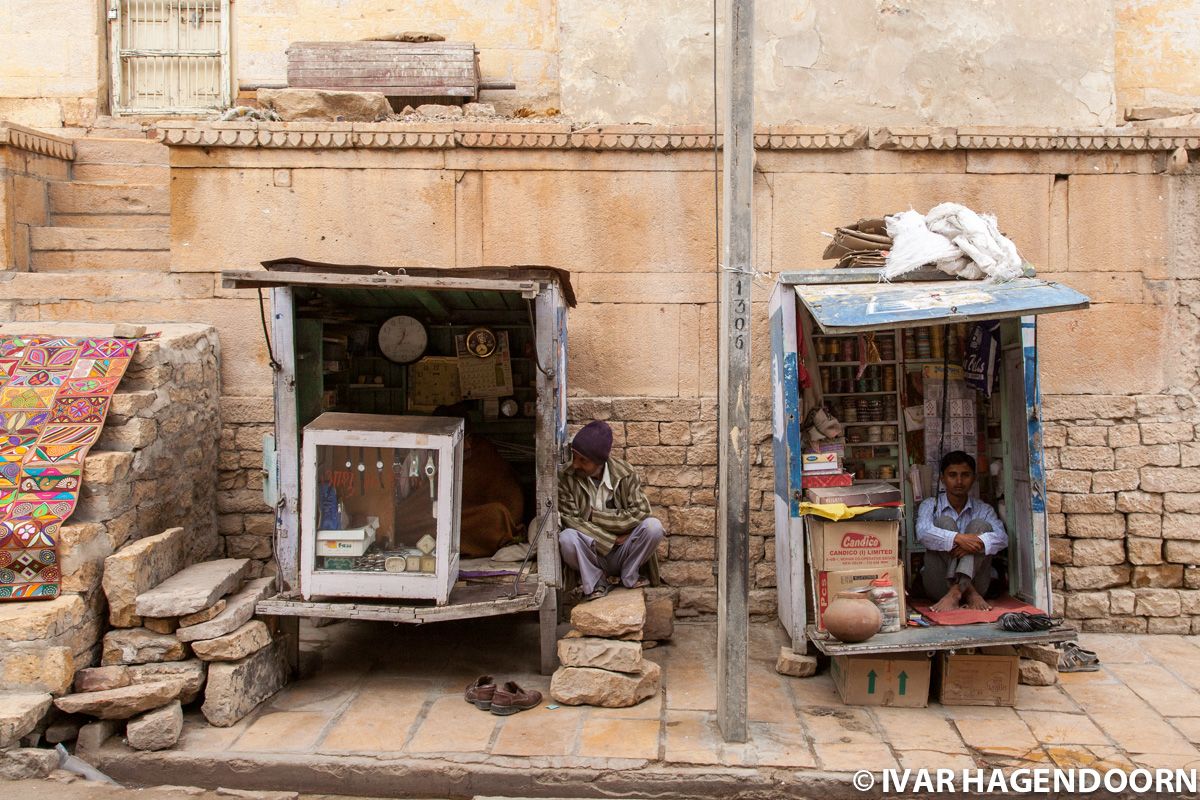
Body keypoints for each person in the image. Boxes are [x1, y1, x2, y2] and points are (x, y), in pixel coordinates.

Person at [558, 420, 663, 600]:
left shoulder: (626, 473)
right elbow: (571, 520)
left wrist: (594, 516)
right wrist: (613, 539)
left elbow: (641, 511)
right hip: (591, 553)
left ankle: (629, 575)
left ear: (600, 462)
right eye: (574, 457)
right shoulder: (566, 477)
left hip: (625, 552)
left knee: (654, 527)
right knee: (567, 538)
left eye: (583, 460)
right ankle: (597, 581)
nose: (575, 464)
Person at [916, 451, 1007, 612]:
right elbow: (922, 533)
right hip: (939, 583)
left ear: (974, 478)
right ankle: (968, 591)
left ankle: (956, 592)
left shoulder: (983, 509)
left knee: (979, 526)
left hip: (979, 583)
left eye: (965, 475)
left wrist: (976, 542)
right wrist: (958, 539)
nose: (959, 481)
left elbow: (1002, 538)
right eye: (952, 475)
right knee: (944, 522)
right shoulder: (931, 505)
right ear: (943, 478)